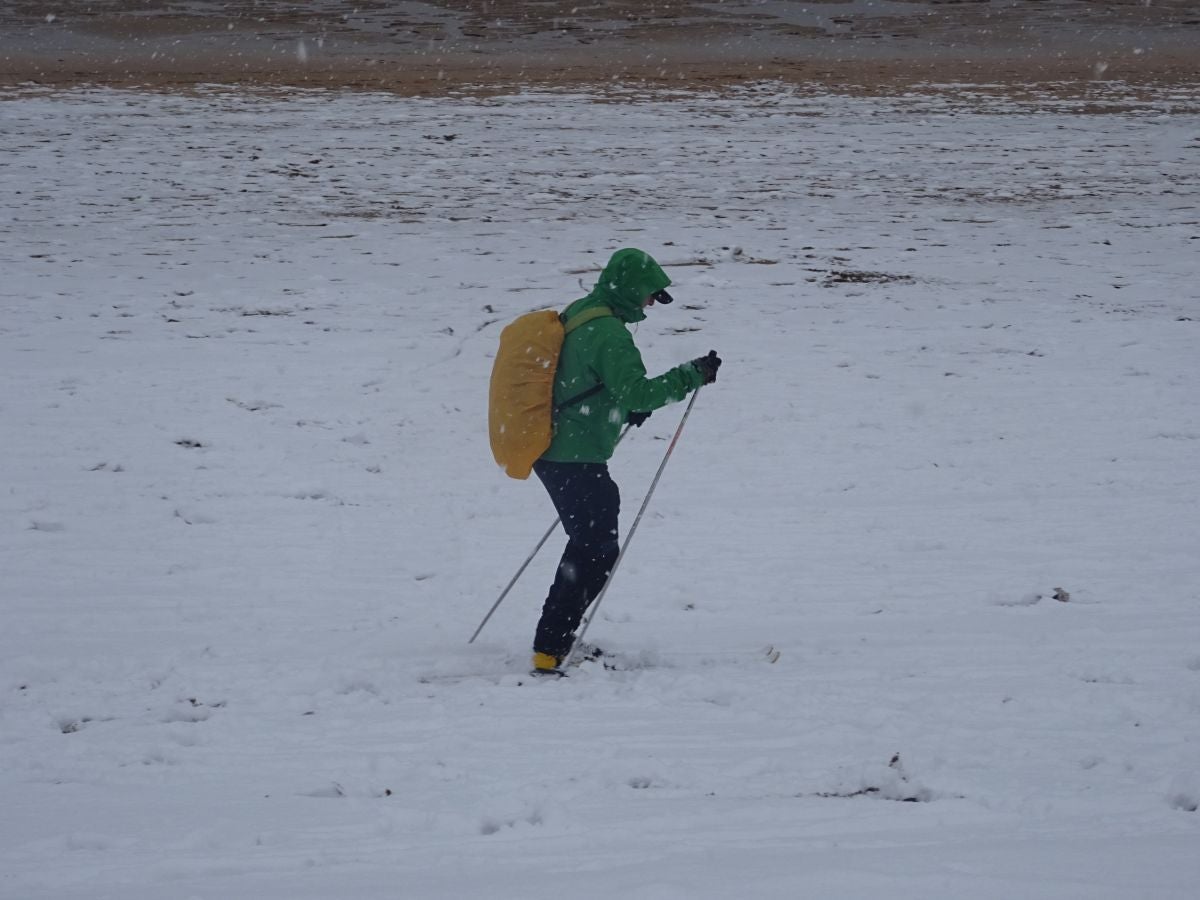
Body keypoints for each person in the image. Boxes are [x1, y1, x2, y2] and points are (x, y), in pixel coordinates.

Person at [530, 248, 721, 674]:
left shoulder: (583, 311)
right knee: (595, 550)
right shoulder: (610, 333)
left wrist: (616, 406)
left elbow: (582, 376)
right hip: (573, 456)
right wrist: (691, 375)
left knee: (589, 544)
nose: (651, 304)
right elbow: (638, 392)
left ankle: (553, 642)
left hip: (557, 446)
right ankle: (550, 648)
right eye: (651, 295)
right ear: (633, 289)